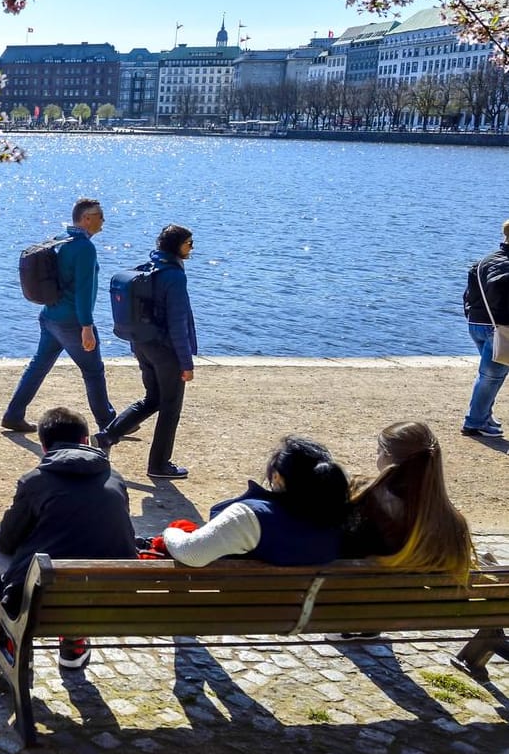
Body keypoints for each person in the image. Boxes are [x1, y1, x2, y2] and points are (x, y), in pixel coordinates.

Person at [0, 406, 137, 670]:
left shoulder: (35, 481)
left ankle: (9, 641)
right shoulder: (114, 479)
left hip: (45, 594)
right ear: (85, 441)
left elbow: (4, 543)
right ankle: (73, 645)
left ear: (44, 447)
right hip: (111, 598)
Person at [2, 198, 116, 436]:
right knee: (93, 371)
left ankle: (14, 414)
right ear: (86, 219)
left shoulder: (59, 238)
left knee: (38, 366)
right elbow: (85, 290)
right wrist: (87, 326)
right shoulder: (84, 248)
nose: (103, 221)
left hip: (50, 315)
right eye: (100, 216)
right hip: (72, 321)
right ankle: (108, 423)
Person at [94, 224, 198, 479]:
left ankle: (108, 435)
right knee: (170, 407)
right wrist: (186, 363)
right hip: (166, 351)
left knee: (153, 399)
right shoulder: (174, 276)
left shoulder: (147, 268)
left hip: (143, 345)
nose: (192, 247)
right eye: (188, 242)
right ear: (176, 246)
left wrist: (136, 346)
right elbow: (177, 322)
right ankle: (159, 465)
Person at [161, 436, 349, 567]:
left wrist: (171, 532)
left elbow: (192, 554)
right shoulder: (340, 520)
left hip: (246, 617)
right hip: (311, 617)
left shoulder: (250, 518)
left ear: (277, 478)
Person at [343, 421, 475, 579]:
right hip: (428, 601)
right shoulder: (454, 524)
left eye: (378, 452)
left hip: (366, 597)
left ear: (387, 455)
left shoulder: (364, 499)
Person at [462, 218, 509, 437]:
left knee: (490, 374)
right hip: (499, 327)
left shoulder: (485, 260)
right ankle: (474, 422)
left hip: (477, 323)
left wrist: (470, 315)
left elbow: (469, 293)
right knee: (491, 376)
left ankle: (484, 414)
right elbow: (500, 289)